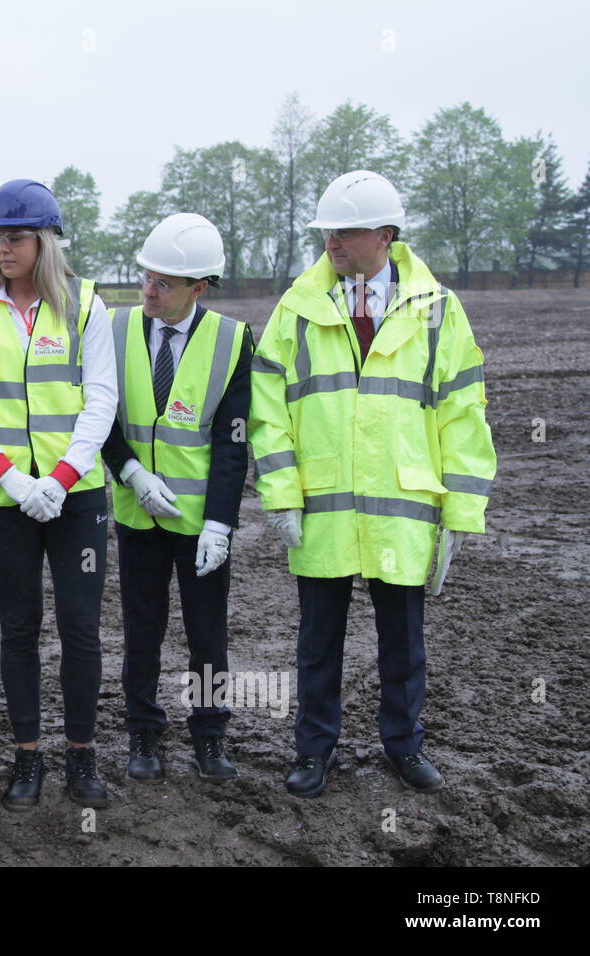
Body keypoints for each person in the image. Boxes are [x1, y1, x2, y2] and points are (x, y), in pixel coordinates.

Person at [249, 171, 496, 798]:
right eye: (327, 231)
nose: (332, 241)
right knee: (318, 642)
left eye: (347, 231)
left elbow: (463, 413)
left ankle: (404, 747)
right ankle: (313, 751)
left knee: (403, 644)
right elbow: (267, 410)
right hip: (323, 507)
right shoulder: (296, 308)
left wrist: (462, 511)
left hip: (401, 508)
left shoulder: (439, 310)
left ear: (385, 235)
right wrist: (280, 494)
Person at [0, 179, 117, 810]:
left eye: (15, 237)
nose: (3, 248)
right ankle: (26, 758)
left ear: (44, 241)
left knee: (80, 628)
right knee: (18, 628)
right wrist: (11, 478)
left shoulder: (87, 305)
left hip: (77, 499)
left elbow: (102, 398)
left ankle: (81, 756)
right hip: (5, 499)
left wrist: (62, 479)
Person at [102, 214, 253, 784]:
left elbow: (233, 438)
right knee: (142, 630)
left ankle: (210, 737)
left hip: (199, 526)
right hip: (137, 515)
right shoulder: (114, 331)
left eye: (163, 283)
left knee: (207, 634)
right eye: (146, 277)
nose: (148, 291)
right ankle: (143, 732)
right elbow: (101, 416)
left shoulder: (233, 340)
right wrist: (132, 472)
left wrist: (220, 523)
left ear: (199, 287)